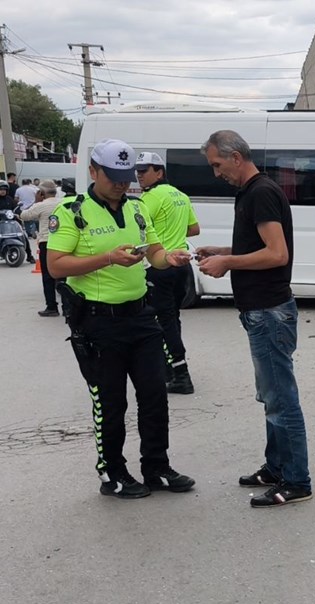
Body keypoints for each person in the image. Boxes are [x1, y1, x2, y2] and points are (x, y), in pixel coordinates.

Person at [45, 138, 196, 500]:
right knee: (111, 403)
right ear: (93, 171)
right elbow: (55, 266)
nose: (121, 183)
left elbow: (155, 253)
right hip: (97, 322)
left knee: (155, 396)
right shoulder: (72, 210)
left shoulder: (138, 209)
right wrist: (107, 259)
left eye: (126, 176)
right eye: (112, 175)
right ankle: (112, 473)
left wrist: (169, 259)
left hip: (141, 316)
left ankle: (156, 467)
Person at [197, 130, 312, 507]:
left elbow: (277, 254)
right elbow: (259, 247)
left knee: (281, 398)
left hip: (269, 312)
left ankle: (296, 480)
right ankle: (276, 466)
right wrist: (223, 250)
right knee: (271, 395)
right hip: (261, 311)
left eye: (217, 164)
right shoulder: (252, 192)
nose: (216, 173)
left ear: (235, 157)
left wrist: (228, 262)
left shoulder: (260, 193)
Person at [135, 152, 201, 394]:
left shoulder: (148, 199)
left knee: (160, 321)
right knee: (171, 319)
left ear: (159, 172)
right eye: (137, 170)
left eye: (145, 170)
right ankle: (171, 369)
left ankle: (180, 374)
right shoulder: (180, 195)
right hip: (181, 266)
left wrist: (159, 237)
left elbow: (137, 229)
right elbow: (193, 229)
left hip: (158, 266)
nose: (139, 174)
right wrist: (173, 231)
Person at [19, 179, 63, 316]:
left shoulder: (41, 205)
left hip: (47, 243)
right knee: (64, 275)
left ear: (41, 193)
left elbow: (24, 216)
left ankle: (52, 307)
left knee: (48, 276)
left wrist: (36, 201)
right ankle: (68, 308)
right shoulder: (62, 203)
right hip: (63, 243)